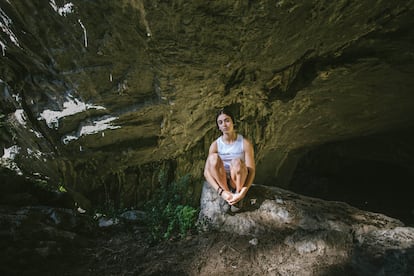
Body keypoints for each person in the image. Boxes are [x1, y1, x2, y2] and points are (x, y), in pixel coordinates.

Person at [204, 107, 255, 207]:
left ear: (233, 122)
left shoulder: (244, 143)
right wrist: (221, 192)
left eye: (227, 120)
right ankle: (229, 195)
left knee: (236, 162)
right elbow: (206, 172)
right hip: (222, 181)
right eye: (220, 122)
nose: (224, 124)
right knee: (213, 158)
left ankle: (237, 195)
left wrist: (242, 193)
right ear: (218, 127)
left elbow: (251, 171)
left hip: (237, 179)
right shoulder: (215, 145)